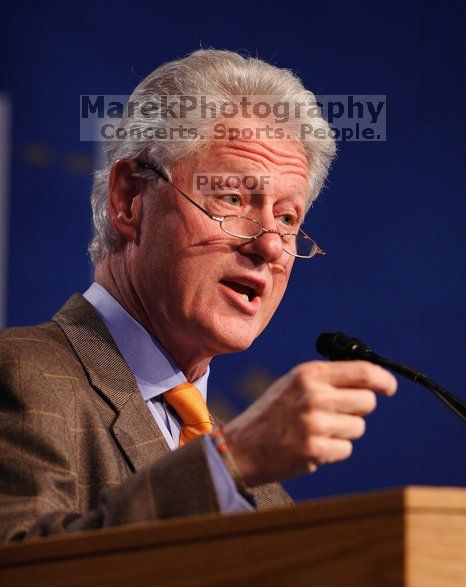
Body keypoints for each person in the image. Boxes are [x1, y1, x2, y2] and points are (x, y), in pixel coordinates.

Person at [0, 50, 397, 542]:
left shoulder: (266, 498)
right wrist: (231, 461)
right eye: (232, 198)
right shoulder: (19, 376)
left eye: (289, 218)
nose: (271, 244)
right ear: (129, 200)